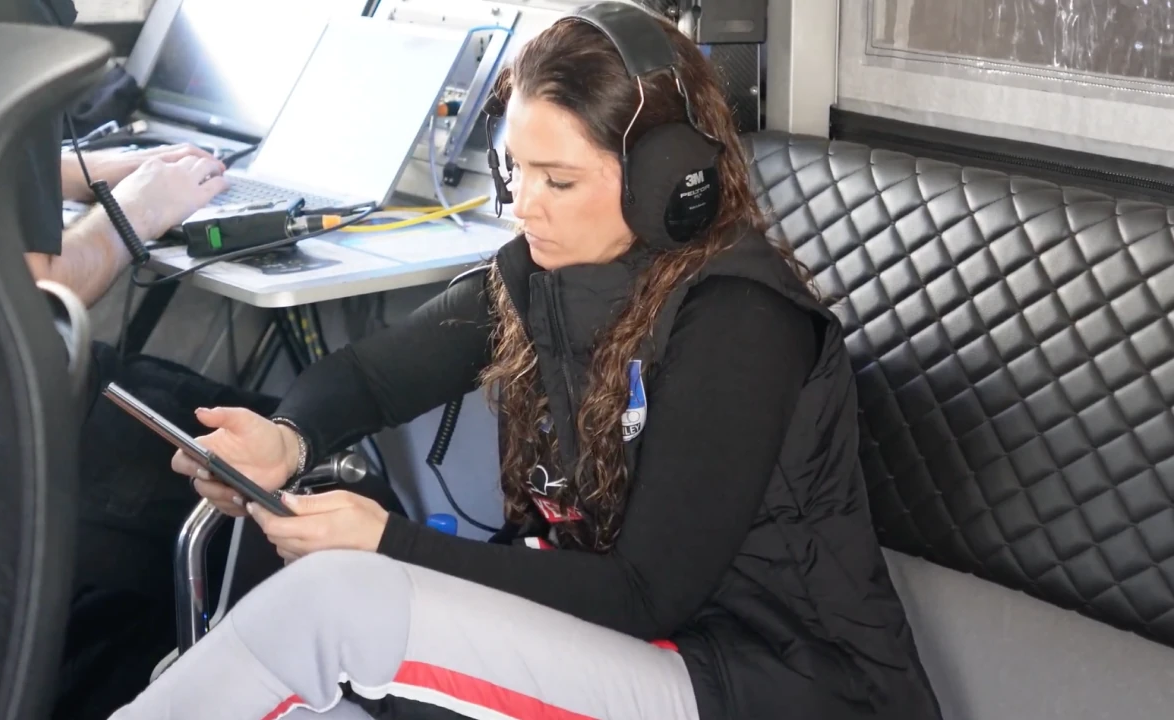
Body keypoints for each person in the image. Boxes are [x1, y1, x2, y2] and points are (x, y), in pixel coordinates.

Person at [106, 5, 943, 720]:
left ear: (666, 184)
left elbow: (649, 593)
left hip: (768, 685)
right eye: (517, 169)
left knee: (338, 604)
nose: (523, 205)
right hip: (646, 648)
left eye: (559, 180)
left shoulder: (740, 321)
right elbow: (369, 376)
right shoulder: (541, 276)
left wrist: (387, 543)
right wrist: (286, 441)